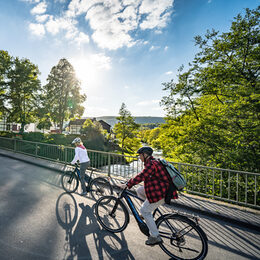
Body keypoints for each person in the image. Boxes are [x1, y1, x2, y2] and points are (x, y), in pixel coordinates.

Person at [119, 146, 178, 246]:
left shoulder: (151, 164)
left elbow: (142, 176)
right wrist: (131, 182)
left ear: (145, 154)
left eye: (140, 155)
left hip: (161, 193)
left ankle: (155, 236)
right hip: (161, 189)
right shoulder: (153, 162)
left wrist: (128, 184)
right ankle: (148, 212)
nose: (139, 158)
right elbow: (144, 175)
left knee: (143, 210)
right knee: (139, 190)